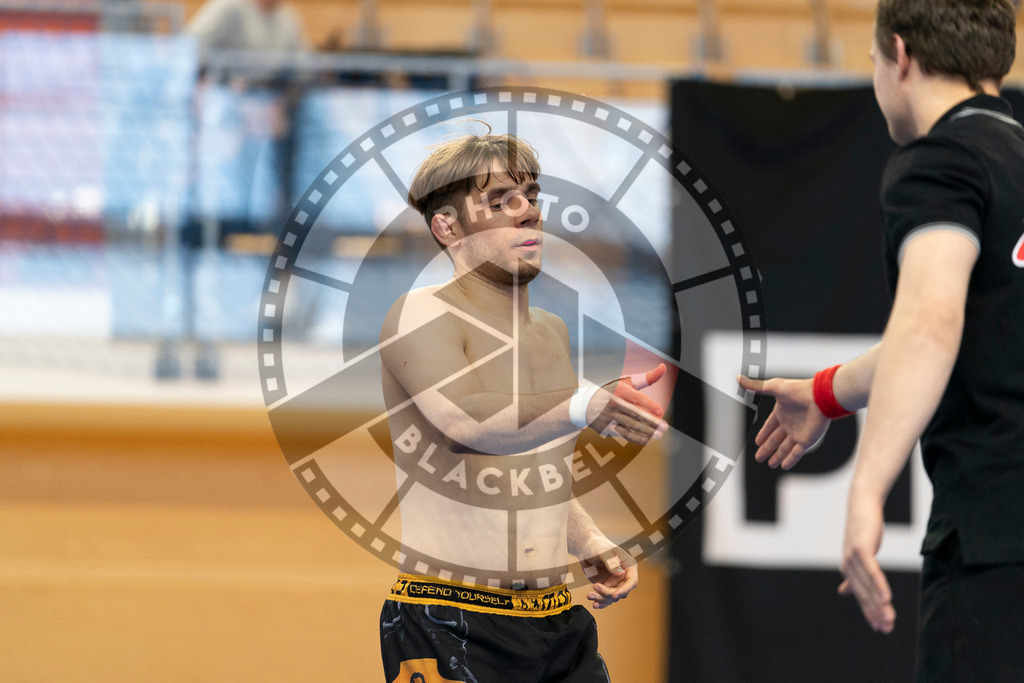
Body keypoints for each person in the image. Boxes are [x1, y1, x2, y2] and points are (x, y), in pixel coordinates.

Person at [738, 0, 1023, 678]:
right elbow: (981, 317)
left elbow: (931, 319)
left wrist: (866, 491)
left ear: (900, 56)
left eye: (870, 62)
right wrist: (827, 392)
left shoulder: (940, 161)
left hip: (995, 537)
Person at [378, 130, 669, 682]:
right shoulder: (419, 313)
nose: (528, 212)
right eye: (498, 202)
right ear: (447, 227)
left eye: (531, 197)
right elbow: (464, 421)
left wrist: (589, 541)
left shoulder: (550, 332)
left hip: (556, 621)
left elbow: (538, 469)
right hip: (449, 617)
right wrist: (585, 402)